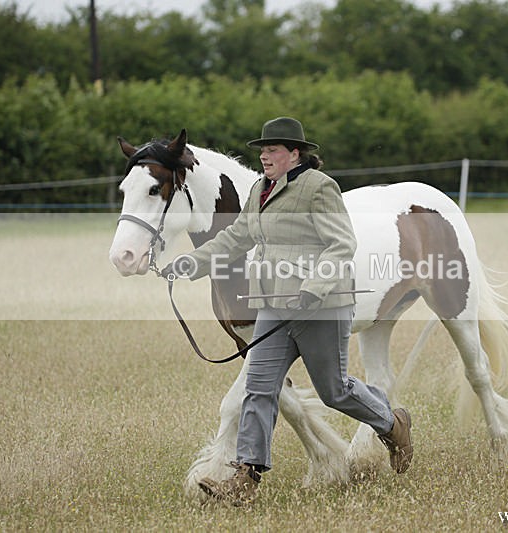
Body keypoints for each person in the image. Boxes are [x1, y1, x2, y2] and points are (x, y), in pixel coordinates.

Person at [171, 117, 412, 506]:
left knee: (335, 391)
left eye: (272, 150)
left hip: (321, 307)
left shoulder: (320, 188)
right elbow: (238, 236)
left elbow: (341, 245)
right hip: (272, 307)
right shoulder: (261, 189)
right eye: (262, 150)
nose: (264, 156)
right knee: (259, 388)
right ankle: (244, 478)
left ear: (295, 153)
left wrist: (312, 289)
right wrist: (193, 263)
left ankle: (392, 423)